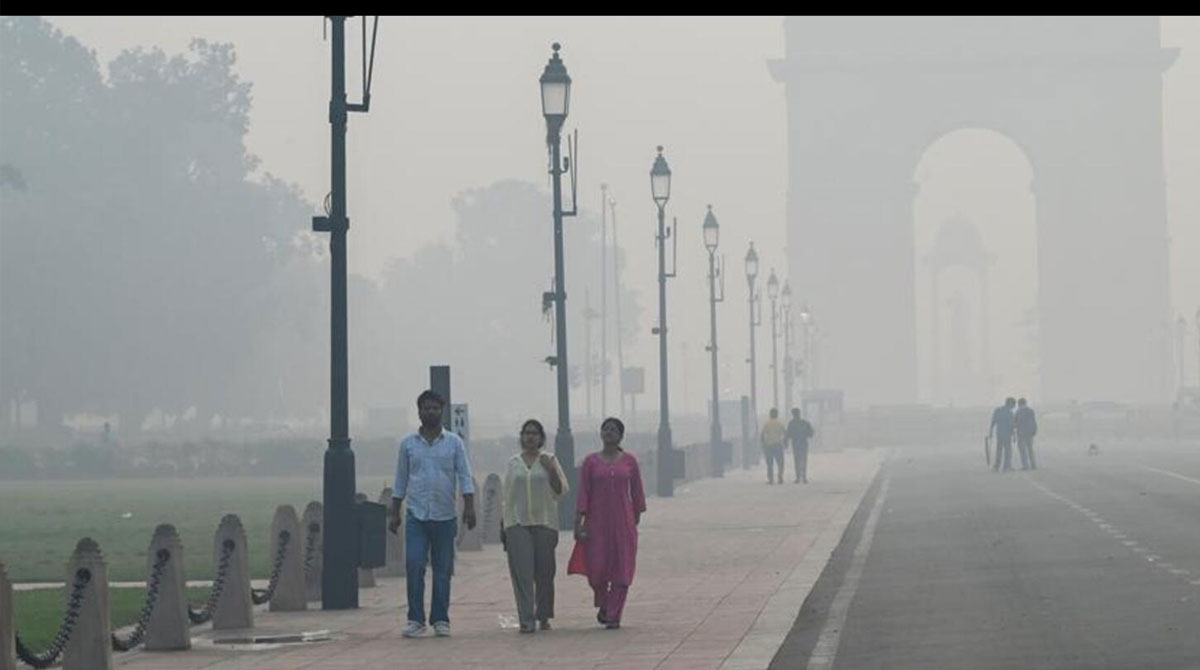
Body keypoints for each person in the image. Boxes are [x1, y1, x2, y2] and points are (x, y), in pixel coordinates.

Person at [389, 390, 476, 638]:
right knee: (415, 564)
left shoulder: (454, 443)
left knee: (442, 569)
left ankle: (440, 618)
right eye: (426, 408)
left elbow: (464, 475)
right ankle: (415, 619)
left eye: (435, 408)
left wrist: (469, 507)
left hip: (445, 515)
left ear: (442, 411)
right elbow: (400, 479)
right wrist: (394, 512)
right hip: (417, 515)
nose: (431, 412)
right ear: (419, 412)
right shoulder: (408, 444)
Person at [569, 417, 646, 630]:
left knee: (622, 570)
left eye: (613, 430)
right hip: (597, 524)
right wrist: (579, 521)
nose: (609, 433)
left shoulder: (629, 461)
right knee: (597, 570)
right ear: (601, 434)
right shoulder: (591, 463)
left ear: (621, 435)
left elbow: (637, 493)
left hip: (623, 524)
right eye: (606, 429)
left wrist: (634, 518)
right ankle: (604, 603)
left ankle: (614, 614)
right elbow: (583, 492)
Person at [501, 419, 567, 633]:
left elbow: (560, 491)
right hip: (518, 523)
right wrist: (505, 524)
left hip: (545, 523)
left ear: (541, 438)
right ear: (521, 437)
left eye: (534, 433)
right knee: (522, 573)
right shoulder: (513, 463)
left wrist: (550, 471)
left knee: (544, 573)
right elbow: (507, 496)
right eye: (527, 433)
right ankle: (526, 619)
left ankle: (544, 614)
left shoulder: (549, 460)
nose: (530, 437)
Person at [786, 408, 815, 484]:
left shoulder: (791, 423)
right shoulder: (805, 422)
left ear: (793, 414)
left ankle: (798, 477)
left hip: (795, 444)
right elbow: (811, 433)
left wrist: (786, 442)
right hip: (804, 443)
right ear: (799, 413)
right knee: (804, 460)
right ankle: (804, 477)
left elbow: (788, 434)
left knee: (797, 460)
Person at [988, 397, 1017, 473]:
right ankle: (1007, 467)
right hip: (1007, 434)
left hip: (999, 433)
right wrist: (1014, 435)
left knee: (999, 450)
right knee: (1008, 450)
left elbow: (993, 422)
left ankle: (996, 466)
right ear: (1010, 404)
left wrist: (990, 432)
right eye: (1013, 405)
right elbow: (1012, 425)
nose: (1014, 407)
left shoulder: (998, 410)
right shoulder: (1010, 413)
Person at [761, 408, 786, 484]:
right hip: (778, 445)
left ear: (770, 414)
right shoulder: (780, 423)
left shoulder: (767, 423)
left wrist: (763, 444)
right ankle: (780, 476)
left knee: (769, 463)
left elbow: (762, 435)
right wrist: (785, 443)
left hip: (769, 445)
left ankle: (771, 479)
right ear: (777, 414)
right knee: (780, 462)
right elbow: (785, 433)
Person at [1015, 398, 1038, 470]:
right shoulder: (1031, 411)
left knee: (1023, 451)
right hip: (1030, 433)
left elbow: (1016, 423)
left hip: (1021, 433)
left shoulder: (1018, 412)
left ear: (1019, 403)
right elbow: (1034, 422)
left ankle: (1025, 465)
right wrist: (1034, 431)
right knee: (1030, 449)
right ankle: (1033, 465)